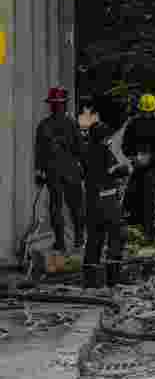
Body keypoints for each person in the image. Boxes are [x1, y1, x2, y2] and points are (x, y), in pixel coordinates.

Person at [78, 98, 132, 289]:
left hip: (92, 202)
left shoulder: (85, 152)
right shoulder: (102, 152)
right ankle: (112, 279)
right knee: (117, 235)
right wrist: (126, 168)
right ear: (102, 137)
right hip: (107, 202)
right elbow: (114, 171)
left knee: (94, 240)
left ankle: (90, 281)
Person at [34, 86, 85, 252]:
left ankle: (61, 243)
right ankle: (79, 240)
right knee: (75, 206)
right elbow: (80, 149)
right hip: (70, 171)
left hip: (52, 171)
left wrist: (39, 172)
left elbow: (39, 152)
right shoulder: (72, 124)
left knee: (56, 207)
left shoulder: (44, 125)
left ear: (52, 105)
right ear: (65, 104)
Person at [121, 93, 155, 243]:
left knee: (148, 197)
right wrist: (133, 157)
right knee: (131, 195)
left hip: (154, 168)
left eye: (149, 112)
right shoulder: (132, 125)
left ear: (154, 110)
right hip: (137, 167)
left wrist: (149, 158)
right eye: (144, 112)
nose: (146, 114)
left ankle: (150, 232)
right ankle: (131, 228)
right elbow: (125, 146)